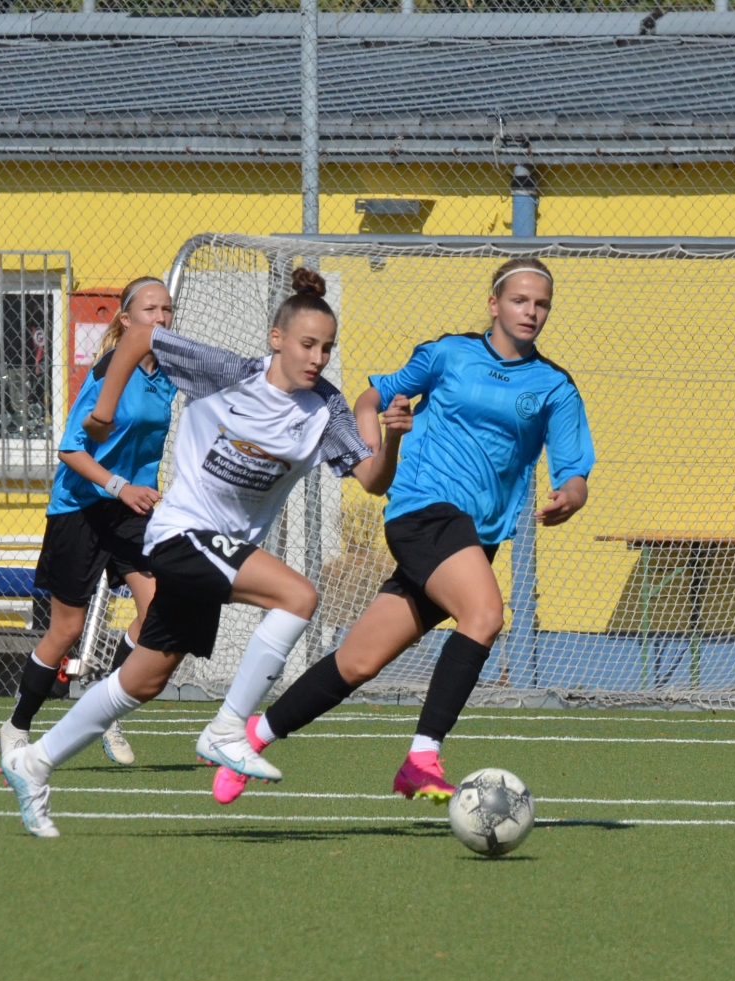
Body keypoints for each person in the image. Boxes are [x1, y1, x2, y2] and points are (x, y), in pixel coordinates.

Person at [0, 269, 404, 838]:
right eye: (307, 344)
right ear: (277, 338)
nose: (317, 358)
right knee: (298, 595)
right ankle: (229, 729)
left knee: (142, 682)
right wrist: (105, 410)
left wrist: (393, 437)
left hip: (221, 552)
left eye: (327, 348)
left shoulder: (325, 408)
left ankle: (34, 762)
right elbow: (139, 337)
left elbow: (372, 480)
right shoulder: (227, 373)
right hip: (179, 534)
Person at [229, 256, 594, 804]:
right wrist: (376, 439)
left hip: (474, 538)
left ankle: (250, 737)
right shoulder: (449, 353)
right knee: (485, 616)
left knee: (358, 661)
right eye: (519, 300)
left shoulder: (554, 387)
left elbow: (574, 470)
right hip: (423, 510)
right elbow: (371, 398)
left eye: (541, 304)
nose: (531, 312)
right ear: (494, 304)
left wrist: (571, 497)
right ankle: (422, 758)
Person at [0, 277, 176, 764]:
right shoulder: (107, 371)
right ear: (127, 319)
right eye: (150, 309)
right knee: (67, 629)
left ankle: (105, 706)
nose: (161, 318)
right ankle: (16, 726)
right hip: (81, 506)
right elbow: (70, 449)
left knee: (158, 611)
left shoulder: (168, 375)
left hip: (130, 510)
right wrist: (120, 485)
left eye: (167, 309)